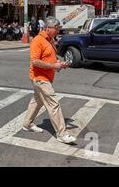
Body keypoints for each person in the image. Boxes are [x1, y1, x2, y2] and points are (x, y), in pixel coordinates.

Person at [22, 16, 76, 145]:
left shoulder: (50, 40)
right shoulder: (37, 41)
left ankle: (27, 124)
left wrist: (59, 63)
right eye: (56, 28)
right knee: (53, 104)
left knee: (37, 101)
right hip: (40, 78)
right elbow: (34, 61)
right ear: (48, 28)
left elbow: (49, 57)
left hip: (45, 77)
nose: (58, 30)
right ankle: (62, 134)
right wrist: (54, 66)